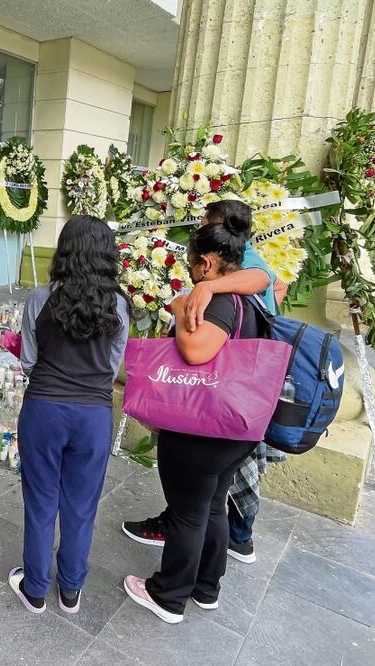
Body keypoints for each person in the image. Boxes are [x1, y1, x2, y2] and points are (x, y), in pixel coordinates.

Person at [123, 203, 264, 624]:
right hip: (234, 428)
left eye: (189, 264)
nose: (187, 273)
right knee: (213, 505)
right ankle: (207, 587)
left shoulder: (214, 302)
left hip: (202, 431)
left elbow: (196, 349)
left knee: (187, 511)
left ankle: (167, 595)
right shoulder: (248, 297)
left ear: (206, 263)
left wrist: (184, 308)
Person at [8, 215, 130, 614]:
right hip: (93, 415)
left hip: (44, 409)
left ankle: (36, 588)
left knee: (41, 500)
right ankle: (72, 589)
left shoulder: (40, 299)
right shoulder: (120, 306)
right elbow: (113, 368)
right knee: (82, 506)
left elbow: (29, 362)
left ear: (64, 251)